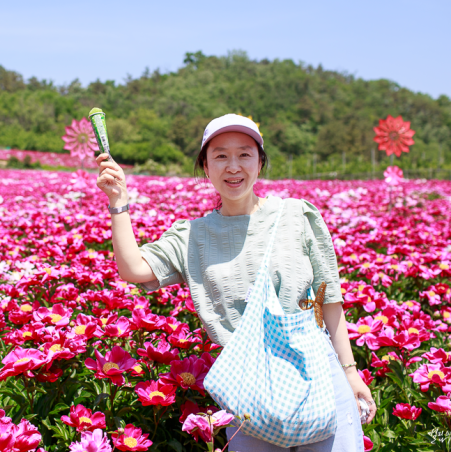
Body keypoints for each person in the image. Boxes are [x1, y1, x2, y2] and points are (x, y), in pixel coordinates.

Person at [96, 114, 375, 452]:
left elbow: (328, 300)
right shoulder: (193, 236)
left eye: (244, 154)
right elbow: (133, 268)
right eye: (220, 156)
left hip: (317, 372)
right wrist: (118, 201)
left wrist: (349, 371)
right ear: (205, 166)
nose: (233, 166)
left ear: (260, 162)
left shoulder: (297, 216)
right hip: (248, 385)